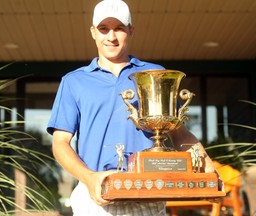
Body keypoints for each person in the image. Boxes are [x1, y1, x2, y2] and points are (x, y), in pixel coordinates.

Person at [47, 0, 222, 215]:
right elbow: (60, 143)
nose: (111, 37)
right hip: (95, 198)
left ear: (131, 31)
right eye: (104, 29)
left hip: (148, 195)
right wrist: (89, 178)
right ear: (93, 32)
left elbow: (179, 132)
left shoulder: (154, 74)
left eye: (119, 28)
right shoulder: (74, 81)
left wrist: (208, 169)